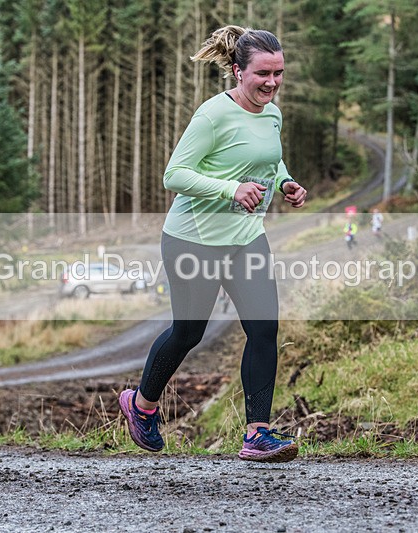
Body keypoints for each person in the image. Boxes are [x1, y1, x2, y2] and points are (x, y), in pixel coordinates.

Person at [118, 25, 307, 463]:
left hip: (245, 238)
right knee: (189, 332)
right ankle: (141, 405)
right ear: (238, 71)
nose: (272, 83)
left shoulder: (272, 112)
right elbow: (175, 175)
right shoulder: (212, 115)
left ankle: (257, 434)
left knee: (264, 329)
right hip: (193, 240)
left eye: (279, 73)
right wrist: (230, 190)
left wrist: (286, 182)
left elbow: (269, 157)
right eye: (263, 73)